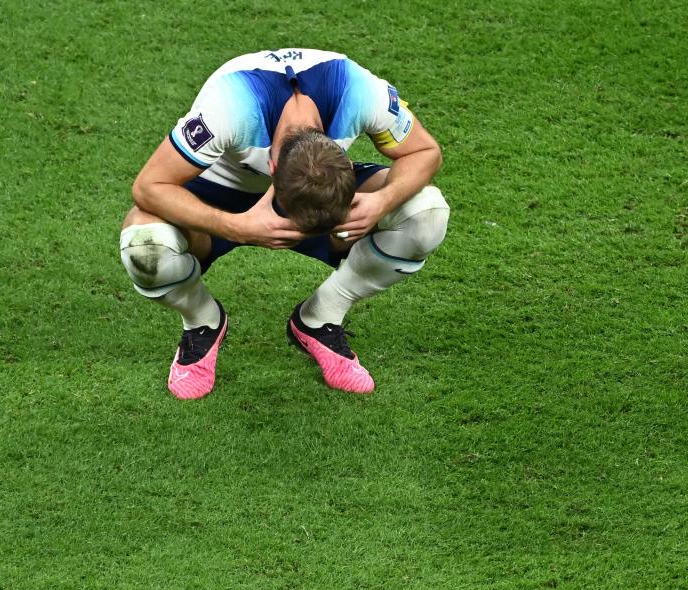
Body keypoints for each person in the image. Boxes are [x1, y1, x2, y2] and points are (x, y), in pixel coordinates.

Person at [119, 49, 450, 399]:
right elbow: (148, 186)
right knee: (145, 244)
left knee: (426, 213)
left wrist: (382, 200)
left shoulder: (361, 93)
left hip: (323, 190)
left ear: (343, 156)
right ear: (272, 170)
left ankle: (320, 318)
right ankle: (202, 321)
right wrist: (233, 226)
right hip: (218, 192)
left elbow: (425, 151)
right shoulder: (229, 109)